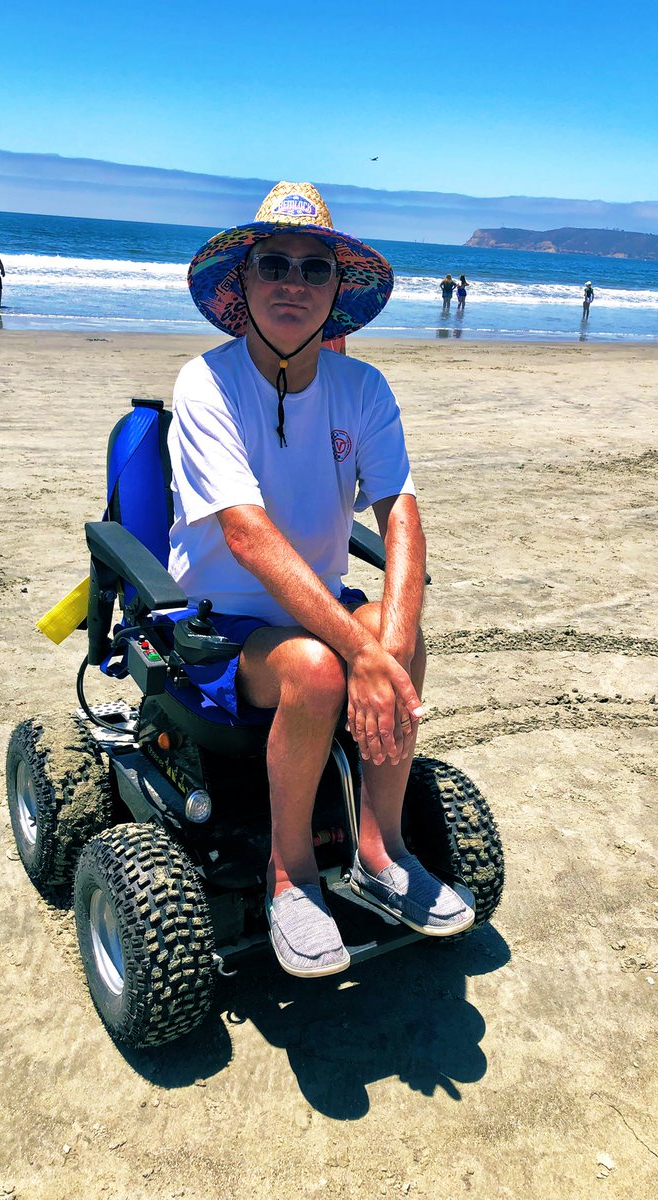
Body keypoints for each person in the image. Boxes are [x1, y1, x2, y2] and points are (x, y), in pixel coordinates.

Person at [175, 181, 475, 978]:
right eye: (273, 264)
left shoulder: (362, 390)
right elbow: (245, 535)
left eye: (314, 270)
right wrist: (361, 654)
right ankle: (290, 875)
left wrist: (391, 643)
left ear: (337, 291)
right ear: (241, 282)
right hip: (223, 622)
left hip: (321, 605)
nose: (292, 284)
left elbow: (400, 515)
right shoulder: (205, 383)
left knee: (397, 629)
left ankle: (380, 849)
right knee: (315, 669)